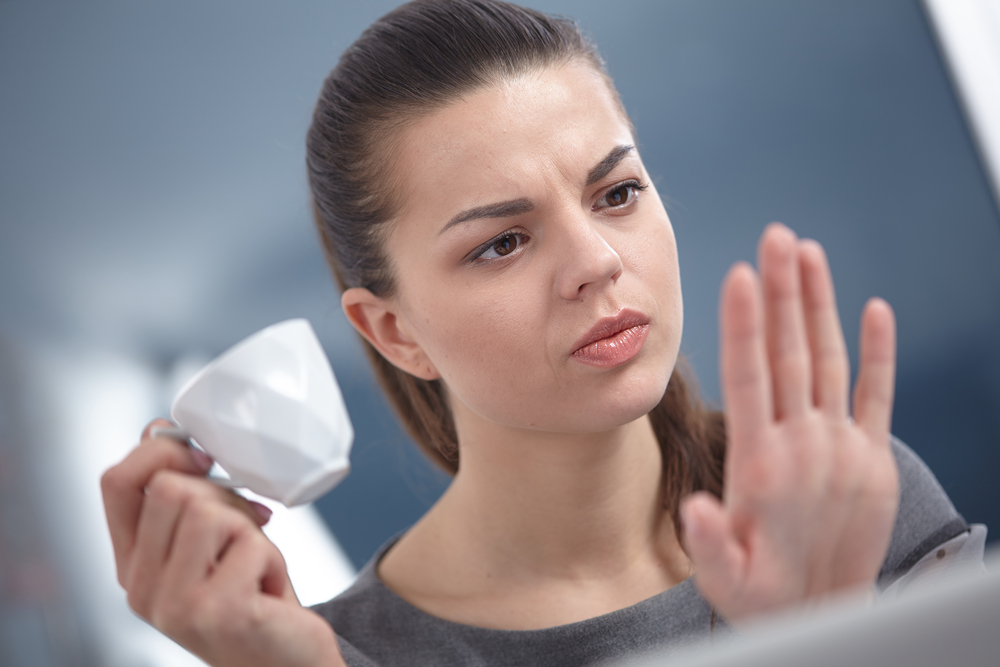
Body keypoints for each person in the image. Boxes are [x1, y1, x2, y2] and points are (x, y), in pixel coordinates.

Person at [100, 1, 985, 666]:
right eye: (503, 242)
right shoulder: (311, 654)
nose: (597, 261)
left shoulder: (842, 507)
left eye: (617, 193)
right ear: (393, 331)